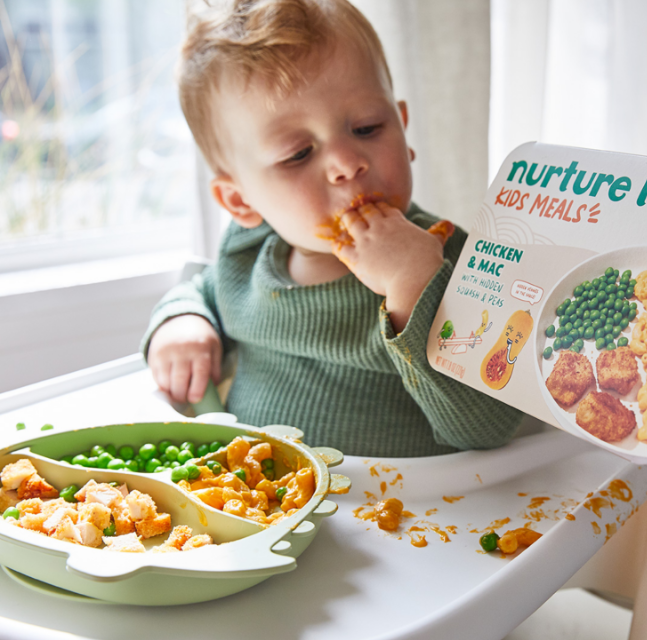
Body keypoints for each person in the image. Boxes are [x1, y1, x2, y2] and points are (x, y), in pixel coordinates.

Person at [141, 0, 522, 457]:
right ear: (241, 200)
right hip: (261, 505)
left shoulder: (446, 257)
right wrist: (182, 320)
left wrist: (414, 287)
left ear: (402, 130)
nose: (346, 163)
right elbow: (204, 289)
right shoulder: (248, 251)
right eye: (298, 153)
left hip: (403, 515)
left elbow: (488, 428)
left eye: (366, 128)